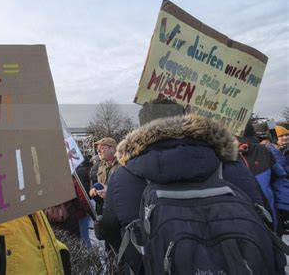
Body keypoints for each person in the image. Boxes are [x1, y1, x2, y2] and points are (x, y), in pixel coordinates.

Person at [102, 99, 267, 273]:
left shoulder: (124, 175)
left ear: (142, 126)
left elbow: (111, 228)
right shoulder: (229, 164)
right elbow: (264, 218)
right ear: (185, 119)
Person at [88, 137, 119, 215]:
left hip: (118, 209)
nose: (98, 151)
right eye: (97, 149)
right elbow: (92, 185)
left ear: (112, 149)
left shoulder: (123, 165)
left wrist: (109, 192)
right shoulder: (97, 166)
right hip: (103, 210)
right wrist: (93, 191)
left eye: (102, 148)